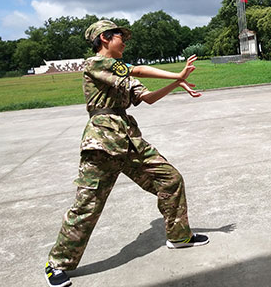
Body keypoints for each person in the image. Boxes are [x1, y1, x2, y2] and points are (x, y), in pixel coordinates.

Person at [44, 20, 208, 287]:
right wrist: (176, 75)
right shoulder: (94, 64)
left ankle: (179, 236)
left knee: (170, 179)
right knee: (87, 206)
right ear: (105, 38)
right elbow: (139, 69)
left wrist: (177, 84)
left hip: (129, 140)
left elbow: (149, 98)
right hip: (101, 144)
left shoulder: (120, 74)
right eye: (121, 36)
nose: (125, 41)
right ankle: (56, 263)